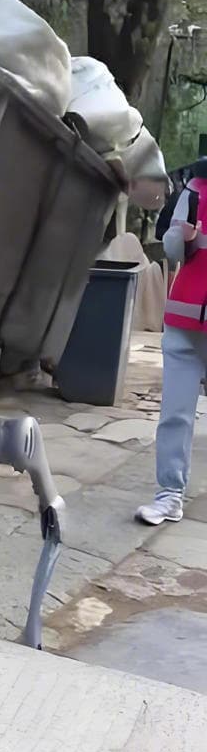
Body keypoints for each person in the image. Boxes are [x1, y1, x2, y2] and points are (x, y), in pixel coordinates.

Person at [137, 157, 207, 525]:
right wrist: (183, 236)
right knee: (175, 415)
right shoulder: (195, 190)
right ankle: (169, 495)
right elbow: (173, 250)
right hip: (184, 321)